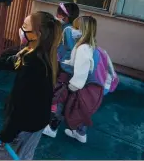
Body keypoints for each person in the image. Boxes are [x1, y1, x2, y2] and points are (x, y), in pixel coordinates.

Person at [0, 12, 62, 160]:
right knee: (25, 155)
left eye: (24, 26)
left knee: (4, 156)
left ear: (37, 34)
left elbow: (21, 102)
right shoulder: (42, 54)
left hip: (24, 124)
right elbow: (16, 60)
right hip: (38, 121)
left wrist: (7, 133)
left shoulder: (32, 64)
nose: (21, 29)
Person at [46, 16, 117, 144]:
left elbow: (80, 74)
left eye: (75, 27)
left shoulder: (82, 48)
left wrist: (70, 87)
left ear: (82, 30)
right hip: (95, 88)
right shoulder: (92, 46)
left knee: (62, 101)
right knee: (82, 110)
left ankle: (52, 128)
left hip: (85, 86)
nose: (72, 29)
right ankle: (80, 133)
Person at [43, 2, 79, 138]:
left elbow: (71, 49)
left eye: (59, 14)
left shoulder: (67, 30)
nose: (56, 16)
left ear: (65, 17)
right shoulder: (68, 28)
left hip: (65, 70)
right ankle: (50, 122)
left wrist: (60, 60)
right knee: (57, 94)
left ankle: (52, 127)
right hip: (63, 69)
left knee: (58, 97)